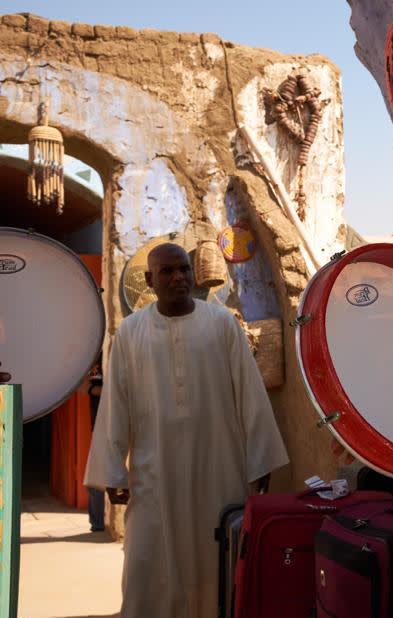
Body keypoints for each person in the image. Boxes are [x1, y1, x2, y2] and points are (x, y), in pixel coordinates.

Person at [85, 242, 289, 618]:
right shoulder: (130, 333)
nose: (179, 277)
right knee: (148, 566)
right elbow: (116, 404)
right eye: (168, 271)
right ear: (150, 279)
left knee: (216, 565)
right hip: (154, 474)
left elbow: (251, 395)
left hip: (218, 468)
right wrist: (113, 470)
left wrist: (261, 460)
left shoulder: (221, 324)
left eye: (184, 269)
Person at [82, 363, 105, 532]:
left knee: (95, 478)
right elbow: (79, 385)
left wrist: (91, 389)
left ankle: (97, 524)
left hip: (113, 424)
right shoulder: (89, 359)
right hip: (98, 425)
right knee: (94, 479)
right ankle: (97, 524)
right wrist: (91, 389)